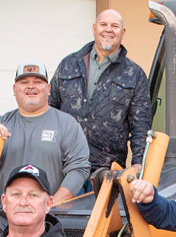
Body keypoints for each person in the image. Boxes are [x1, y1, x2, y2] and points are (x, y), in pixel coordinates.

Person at [0, 63, 93, 237]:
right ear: (14, 89)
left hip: (46, 222)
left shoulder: (66, 124)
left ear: (48, 89)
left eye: (38, 81)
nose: (31, 86)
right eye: (24, 82)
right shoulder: (0, 123)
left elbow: (79, 168)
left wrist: (51, 206)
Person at [48, 9, 152, 183]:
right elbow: (49, 109)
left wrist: (138, 162)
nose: (108, 30)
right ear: (94, 28)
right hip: (63, 166)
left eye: (115, 26)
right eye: (103, 25)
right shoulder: (68, 64)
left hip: (106, 172)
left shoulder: (134, 74)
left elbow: (140, 125)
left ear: (123, 32)